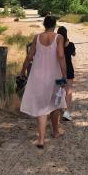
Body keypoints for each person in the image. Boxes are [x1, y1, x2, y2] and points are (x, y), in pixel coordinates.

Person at [19, 15, 67, 149]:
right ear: (55, 25)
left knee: (41, 106)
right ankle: (56, 131)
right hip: (55, 76)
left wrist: (22, 71)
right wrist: (64, 75)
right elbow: (61, 56)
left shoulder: (37, 37)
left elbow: (29, 56)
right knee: (55, 102)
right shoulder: (59, 38)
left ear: (44, 24)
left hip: (37, 76)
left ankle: (41, 139)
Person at [57, 26, 75, 121]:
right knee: (69, 90)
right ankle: (67, 112)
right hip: (69, 70)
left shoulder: (56, 45)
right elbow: (74, 54)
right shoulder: (71, 44)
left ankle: (60, 109)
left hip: (59, 70)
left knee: (60, 90)